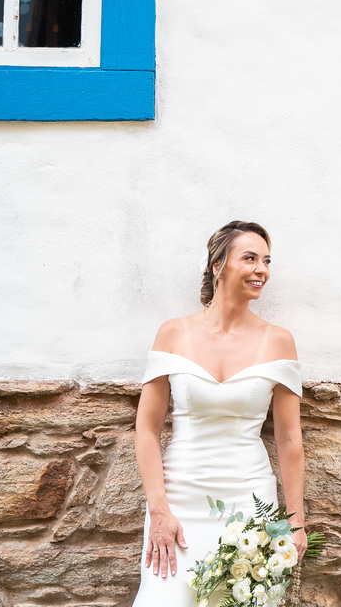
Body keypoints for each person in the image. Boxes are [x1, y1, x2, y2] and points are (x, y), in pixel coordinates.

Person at [132, 221, 306, 605]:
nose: (262, 269)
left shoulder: (279, 340)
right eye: (250, 258)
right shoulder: (172, 334)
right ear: (217, 265)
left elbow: (290, 438)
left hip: (249, 507)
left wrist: (296, 521)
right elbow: (146, 429)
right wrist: (158, 509)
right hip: (177, 502)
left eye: (266, 260)